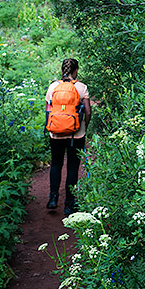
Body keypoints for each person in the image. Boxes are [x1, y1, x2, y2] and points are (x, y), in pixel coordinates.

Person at [44, 58, 91, 214]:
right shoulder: (81, 87)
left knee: (56, 164)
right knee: (72, 167)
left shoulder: (53, 87)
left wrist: (50, 128)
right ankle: (69, 205)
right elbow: (88, 112)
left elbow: (48, 110)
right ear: (76, 70)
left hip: (56, 133)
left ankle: (53, 198)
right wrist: (85, 126)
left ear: (62, 69)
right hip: (76, 134)